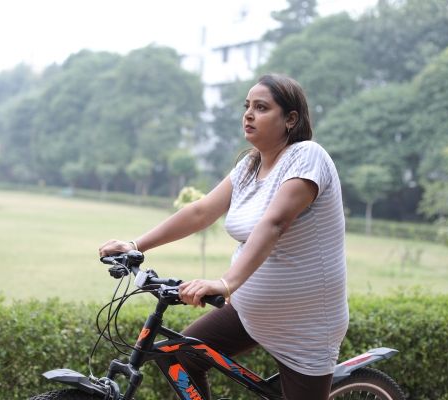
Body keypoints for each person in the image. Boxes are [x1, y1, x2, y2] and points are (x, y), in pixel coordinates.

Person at [99, 73, 348, 400]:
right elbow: (201, 211)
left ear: (290, 119)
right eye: (247, 106)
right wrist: (135, 245)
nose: (248, 114)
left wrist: (225, 283)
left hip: (304, 329)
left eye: (261, 107)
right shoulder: (249, 165)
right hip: (248, 313)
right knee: (180, 356)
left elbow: (274, 224)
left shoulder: (307, 157)